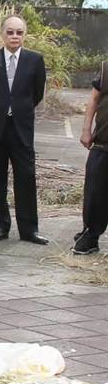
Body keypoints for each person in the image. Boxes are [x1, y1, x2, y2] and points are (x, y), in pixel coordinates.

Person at [0, 15, 48, 245]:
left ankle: (29, 230)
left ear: (25, 34)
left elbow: (37, 93)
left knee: (26, 177)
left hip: (21, 128)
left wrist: (18, 110)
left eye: (19, 32)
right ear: (3, 34)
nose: (15, 36)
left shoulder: (35, 60)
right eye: (10, 32)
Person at [72, 62, 108, 255]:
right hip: (103, 141)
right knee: (95, 192)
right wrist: (86, 129)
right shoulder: (106, 68)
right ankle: (91, 236)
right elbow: (94, 99)